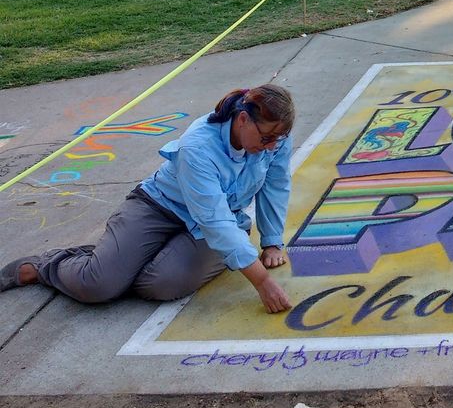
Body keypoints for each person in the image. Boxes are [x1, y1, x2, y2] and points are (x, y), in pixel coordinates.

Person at [0, 85, 296, 313]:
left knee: (160, 284)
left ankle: (116, 262)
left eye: (277, 140)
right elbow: (214, 220)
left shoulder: (275, 137)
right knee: (97, 285)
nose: (271, 146)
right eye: (266, 138)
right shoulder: (198, 146)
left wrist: (271, 241)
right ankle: (44, 267)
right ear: (243, 119)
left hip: (213, 226)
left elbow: (275, 185)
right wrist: (262, 282)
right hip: (159, 206)